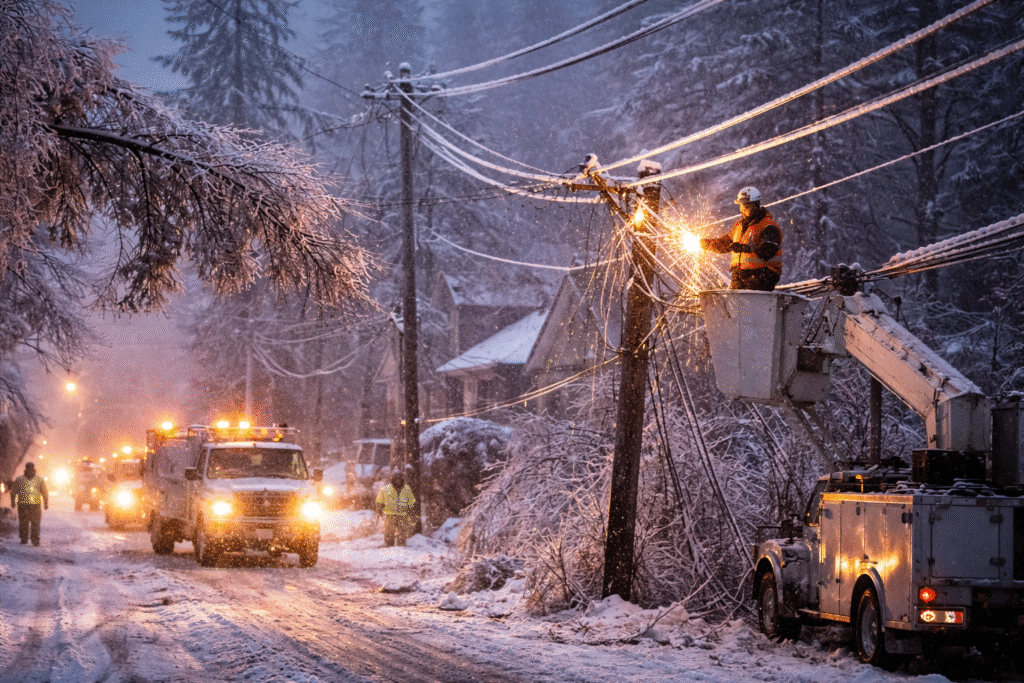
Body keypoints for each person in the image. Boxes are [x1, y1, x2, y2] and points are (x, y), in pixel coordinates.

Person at [700, 186, 782, 291]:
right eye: (742, 205)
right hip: (740, 276)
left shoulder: (768, 226)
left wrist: (746, 248)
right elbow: (724, 244)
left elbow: (768, 250)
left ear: (756, 204)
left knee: (747, 303)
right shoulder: (738, 226)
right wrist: (703, 243)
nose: (744, 208)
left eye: (748, 205)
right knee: (732, 304)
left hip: (762, 275)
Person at [10, 462, 49, 546]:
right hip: (23, 505)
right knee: (23, 523)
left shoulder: (39, 479)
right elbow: (13, 492)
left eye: (31, 468)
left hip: (36, 505)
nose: (29, 470)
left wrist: (46, 503)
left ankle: (35, 540)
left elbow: (44, 492)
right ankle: (24, 539)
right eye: (28, 468)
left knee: (35, 523)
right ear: (26, 469)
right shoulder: (19, 480)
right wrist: (12, 501)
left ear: (33, 469)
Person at [375, 470, 416, 547]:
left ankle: (401, 547)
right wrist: (379, 510)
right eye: (396, 478)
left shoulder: (407, 489)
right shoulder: (385, 489)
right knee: (389, 533)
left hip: (403, 515)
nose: (398, 480)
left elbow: (411, 502)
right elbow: (379, 501)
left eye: (399, 478)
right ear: (392, 479)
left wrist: (411, 512)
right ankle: (389, 546)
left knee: (402, 533)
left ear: (402, 479)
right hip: (390, 515)